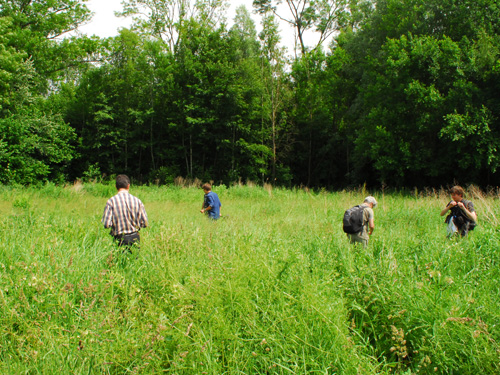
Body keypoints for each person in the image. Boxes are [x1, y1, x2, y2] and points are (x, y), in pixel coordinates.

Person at [102, 174, 148, 250]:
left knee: (120, 260)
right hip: (135, 238)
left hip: (119, 238)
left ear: (116, 186)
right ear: (128, 186)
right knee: (134, 260)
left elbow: (106, 224)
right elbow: (145, 223)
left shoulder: (111, 202)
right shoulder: (137, 201)